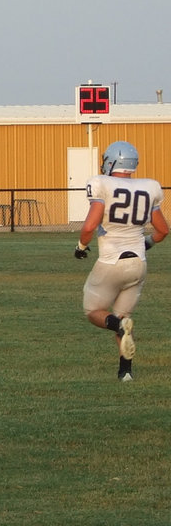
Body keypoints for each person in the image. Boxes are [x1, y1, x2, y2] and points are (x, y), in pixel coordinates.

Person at [75, 140, 168, 382]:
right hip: (138, 263)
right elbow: (162, 231)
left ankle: (117, 326)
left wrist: (81, 246)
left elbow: (89, 226)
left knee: (94, 311)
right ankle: (125, 372)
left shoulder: (101, 183)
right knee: (123, 316)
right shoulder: (149, 187)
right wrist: (147, 242)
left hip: (111, 260)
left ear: (111, 161)